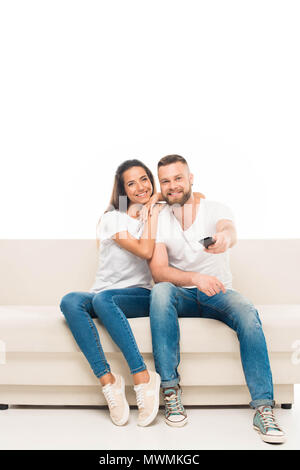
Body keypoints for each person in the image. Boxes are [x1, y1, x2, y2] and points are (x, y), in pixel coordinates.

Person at [148, 154, 286, 444]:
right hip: (183, 295)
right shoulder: (159, 218)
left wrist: (224, 238)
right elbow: (159, 272)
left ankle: (263, 408)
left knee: (248, 311)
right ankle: (171, 392)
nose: (172, 185)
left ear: (190, 179)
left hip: (218, 294)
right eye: (165, 181)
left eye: (178, 178)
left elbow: (228, 230)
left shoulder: (215, 209)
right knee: (160, 290)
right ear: (160, 185)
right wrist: (195, 278)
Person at [60, 159, 164, 427]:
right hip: (103, 295)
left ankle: (142, 376)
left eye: (144, 179)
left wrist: (155, 204)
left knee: (104, 299)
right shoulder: (112, 218)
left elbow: (197, 196)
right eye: (131, 183)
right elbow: (143, 250)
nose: (140, 187)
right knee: (70, 300)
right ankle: (109, 381)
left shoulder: (158, 213)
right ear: (123, 190)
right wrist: (151, 210)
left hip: (139, 295)